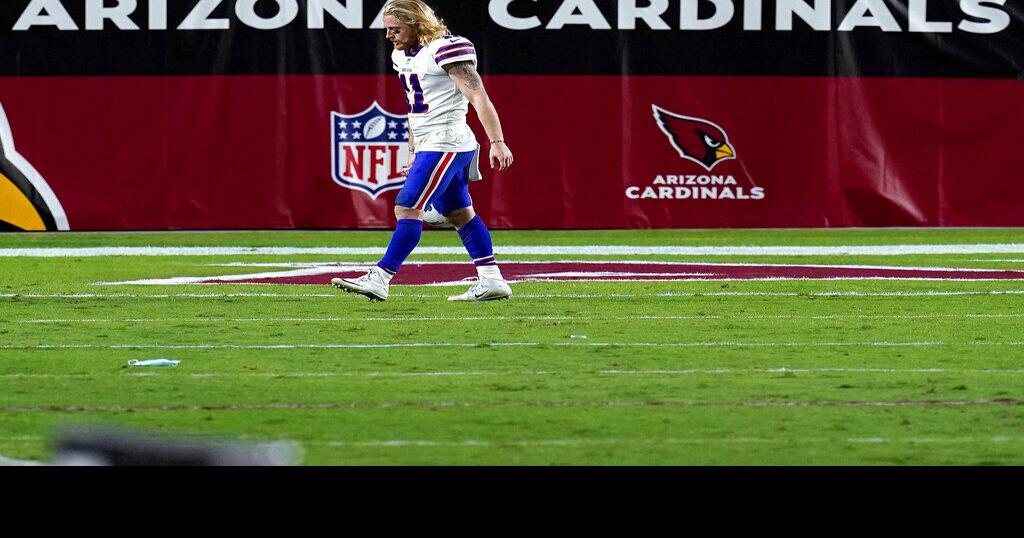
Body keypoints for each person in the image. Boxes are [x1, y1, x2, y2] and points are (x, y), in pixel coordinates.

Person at [332, 0, 514, 302]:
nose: (389, 35)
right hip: (436, 143)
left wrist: (497, 141)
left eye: (395, 28)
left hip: (446, 141)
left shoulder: (444, 48)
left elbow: (478, 96)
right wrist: (415, 151)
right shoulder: (401, 55)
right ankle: (492, 279)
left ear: (416, 23)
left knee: (407, 208)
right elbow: (414, 109)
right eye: (387, 29)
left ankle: (381, 277)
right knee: (459, 213)